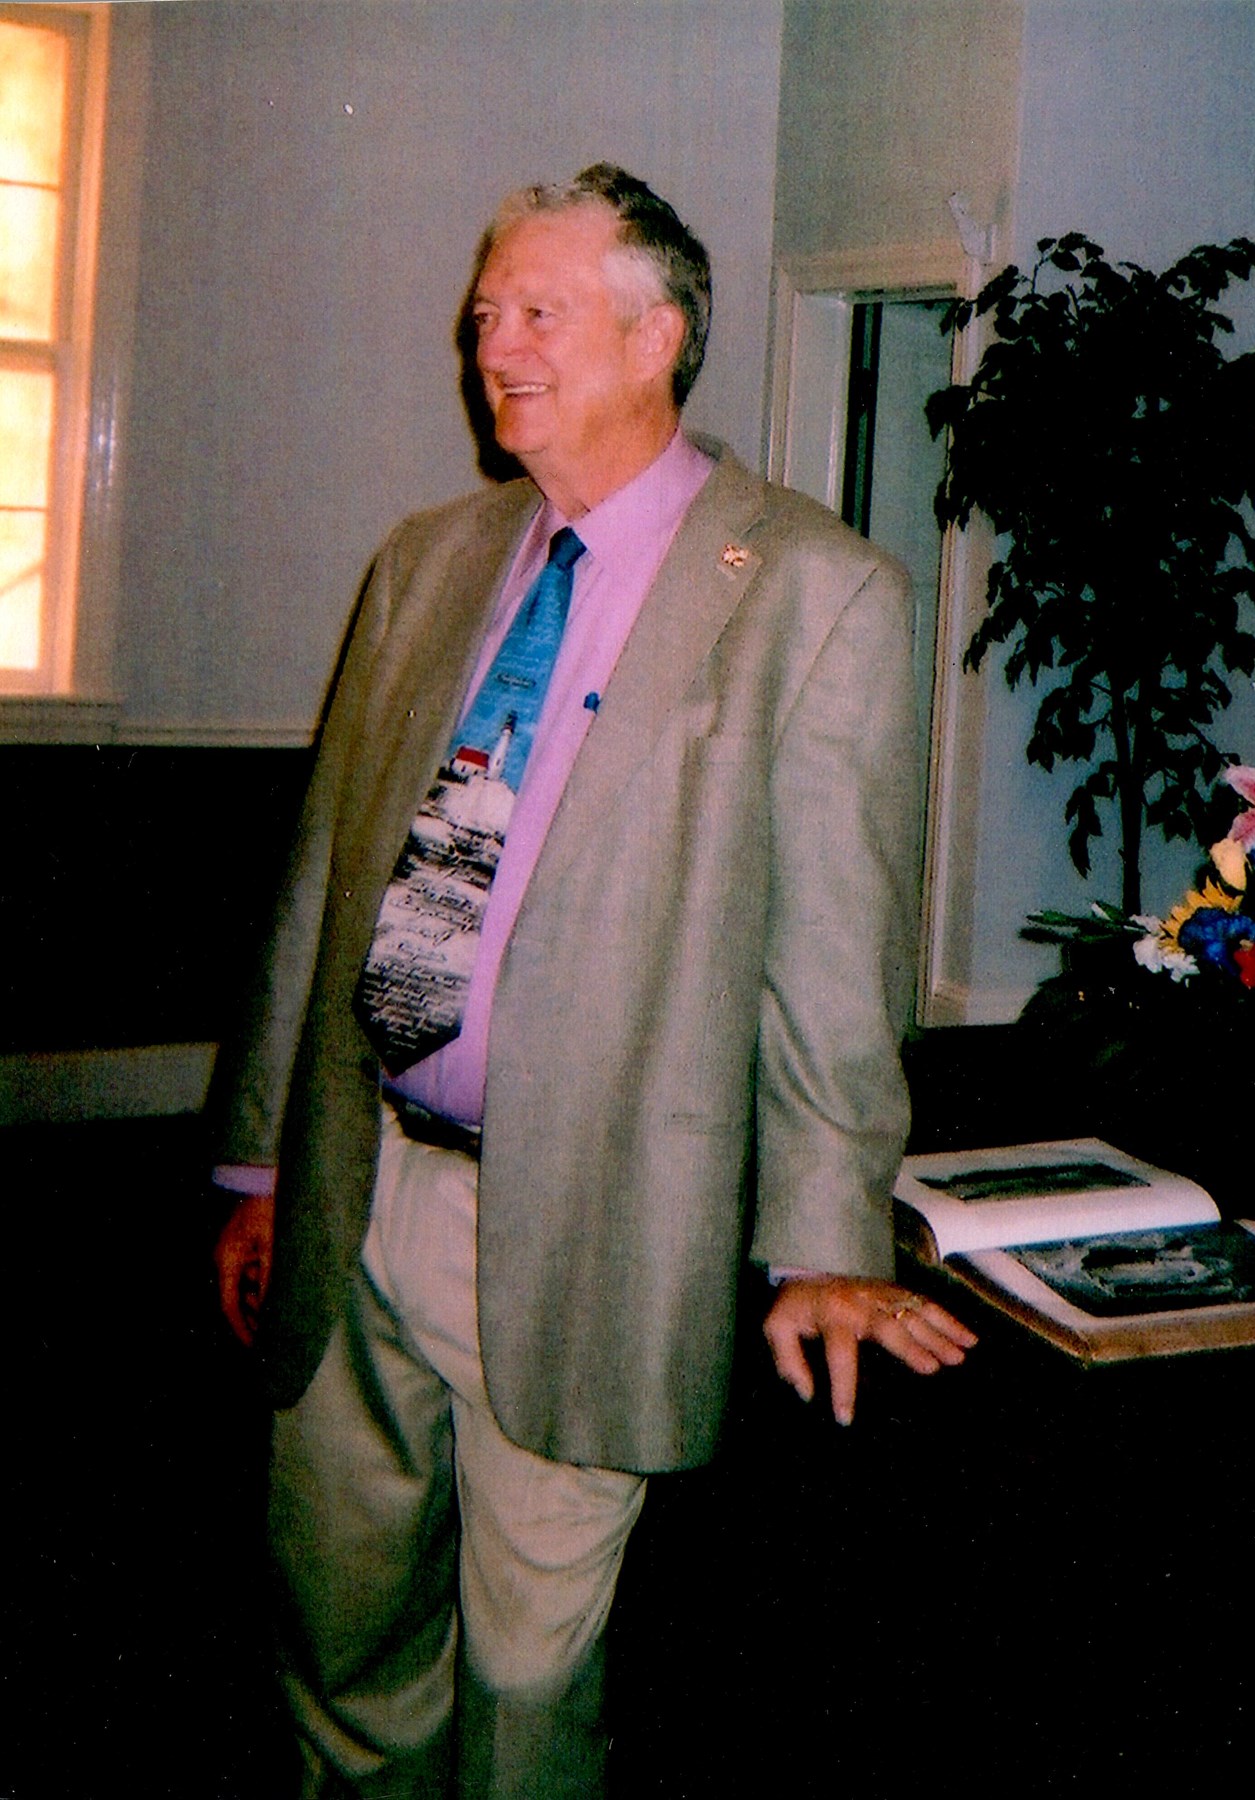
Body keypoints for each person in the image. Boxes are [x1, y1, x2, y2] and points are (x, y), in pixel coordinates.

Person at [212, 162, 975, 1799]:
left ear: (656, 337)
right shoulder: (427, 560)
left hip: (589, 1218)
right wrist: (264, 1161)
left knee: (529, 1676)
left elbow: (834, 954)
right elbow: (325, 879)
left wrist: (828, 1239)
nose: (493, 345)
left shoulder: (811, 591)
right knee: (340, 1633)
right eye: (486, 312)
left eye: (538, 311)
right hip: (361, 1179)